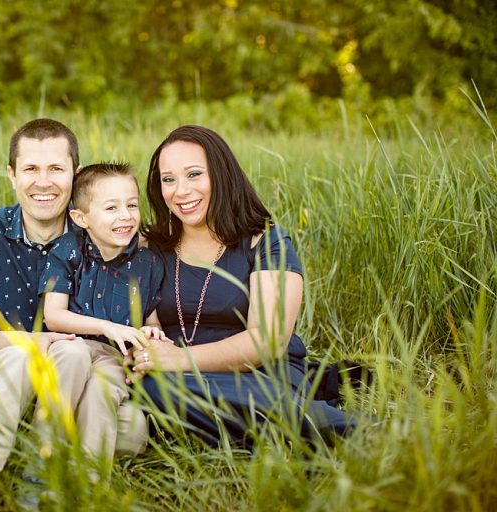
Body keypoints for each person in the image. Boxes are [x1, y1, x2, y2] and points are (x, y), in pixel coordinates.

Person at [0, 119, 148, 511]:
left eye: (56, 169)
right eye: (31, 169)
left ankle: (41, 480)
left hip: (75, 387)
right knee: (21, 361)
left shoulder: (106, 233)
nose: (44, 182)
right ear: (12, 175)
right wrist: (28, 343)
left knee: (132, 428)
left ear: (75, 175)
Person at [129, 125, 355, 447]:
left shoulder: (264, 241)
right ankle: (268, 430)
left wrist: (180, 359)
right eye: (169, 179)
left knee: (170, 390)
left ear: (221, 175)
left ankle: (340, 427)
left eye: (194, 174)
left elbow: (268, 341)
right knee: (151, 388)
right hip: (177, 381)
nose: (180, 191)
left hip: (259, 375)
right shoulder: (148, 246)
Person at [38, 162, 168, 471]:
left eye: (132, 205)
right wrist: (108, 327)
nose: (125, 215)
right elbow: (54, 316)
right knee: (65, 375)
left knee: (102, 391)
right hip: (69, 346)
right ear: (81, 218)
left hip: (112, 358)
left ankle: (90, 481)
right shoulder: (68, 251)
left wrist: (152, 337)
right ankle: (41, 469)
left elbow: (150, 321)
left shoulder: (148, 263)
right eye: (111, 208)